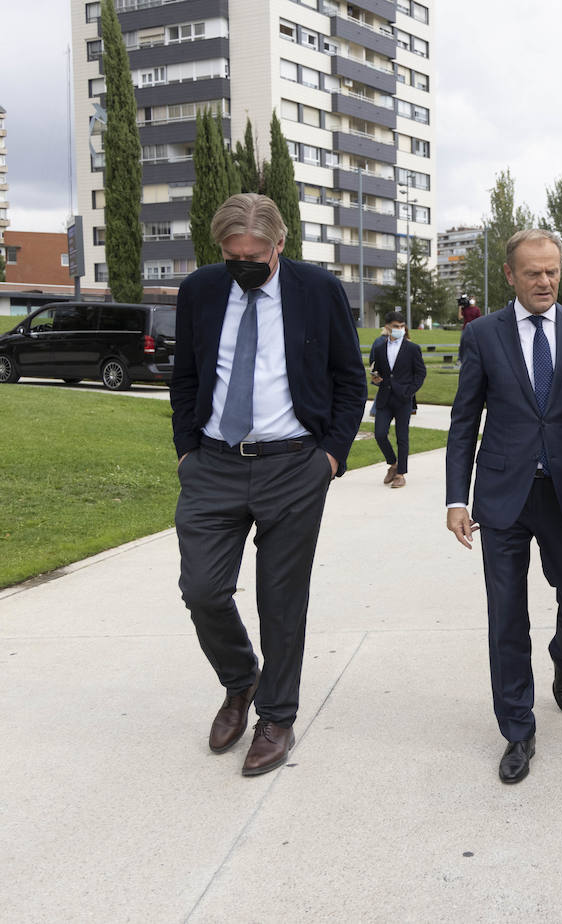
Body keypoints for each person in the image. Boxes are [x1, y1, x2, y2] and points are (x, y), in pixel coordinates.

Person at [170, 193, 365, 777]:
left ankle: (276, 717)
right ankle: (240, 681)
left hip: (293, 466)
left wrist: (328, 457)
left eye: (255, 254)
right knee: (202, 588)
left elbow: (349, 381)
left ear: (280, 244)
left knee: (282, 600)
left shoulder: (318, 290)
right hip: (213, 464)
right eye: (233, 256)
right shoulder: (201, 291)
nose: (244, 265)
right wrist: (186, 452)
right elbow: (185, 376)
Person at [445, 229, 562, 785]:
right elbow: (465, 419)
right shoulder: (483, 334)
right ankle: (517, 728)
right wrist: (455, 498)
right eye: (533, 272)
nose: (545, 281)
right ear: (510, 275)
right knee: (506, 614)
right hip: (502, 497)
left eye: (553, 271)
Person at [370, 310, 426, 488]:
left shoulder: (412, 348)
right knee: (379, 434)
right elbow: (377, 371)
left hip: (403, 399)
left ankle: (401, 474)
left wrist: (409, 391)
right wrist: (375, 379)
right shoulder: (379, 349)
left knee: (402, 437)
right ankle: (393, 463)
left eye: (402, 326)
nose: (400, 329)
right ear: (387, 327)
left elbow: (420, 374)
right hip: (385, 398)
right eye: (396, 327)